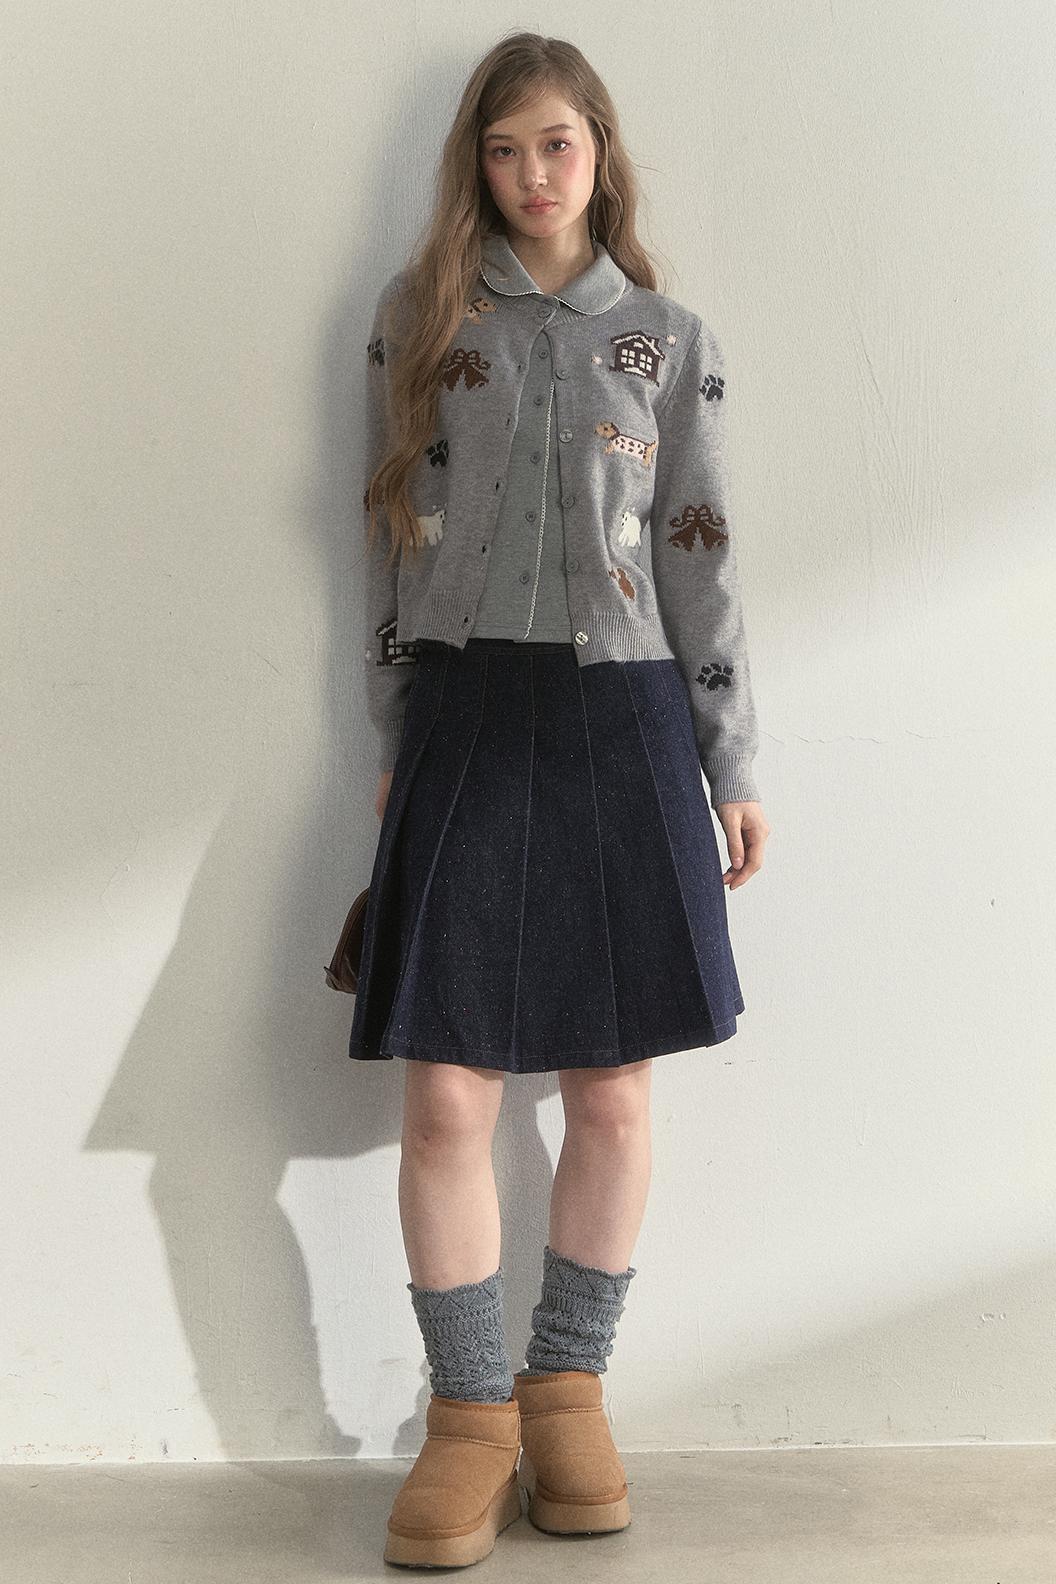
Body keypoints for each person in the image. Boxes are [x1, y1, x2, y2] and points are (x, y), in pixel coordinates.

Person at [348, 31, 772, 1568]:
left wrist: (730, 763)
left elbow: (701, 556)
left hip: (626, 719)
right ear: (477, 164)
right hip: (467, 717)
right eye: (504, 147)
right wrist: (399, 731)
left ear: (600, 150)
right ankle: (471, 1421)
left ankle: (568, 1390)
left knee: (613, 1088)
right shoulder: (422, 322)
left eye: (557, 143)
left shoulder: (665, 337)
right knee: (447, 1093)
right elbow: (394, 544)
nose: (532, 174)